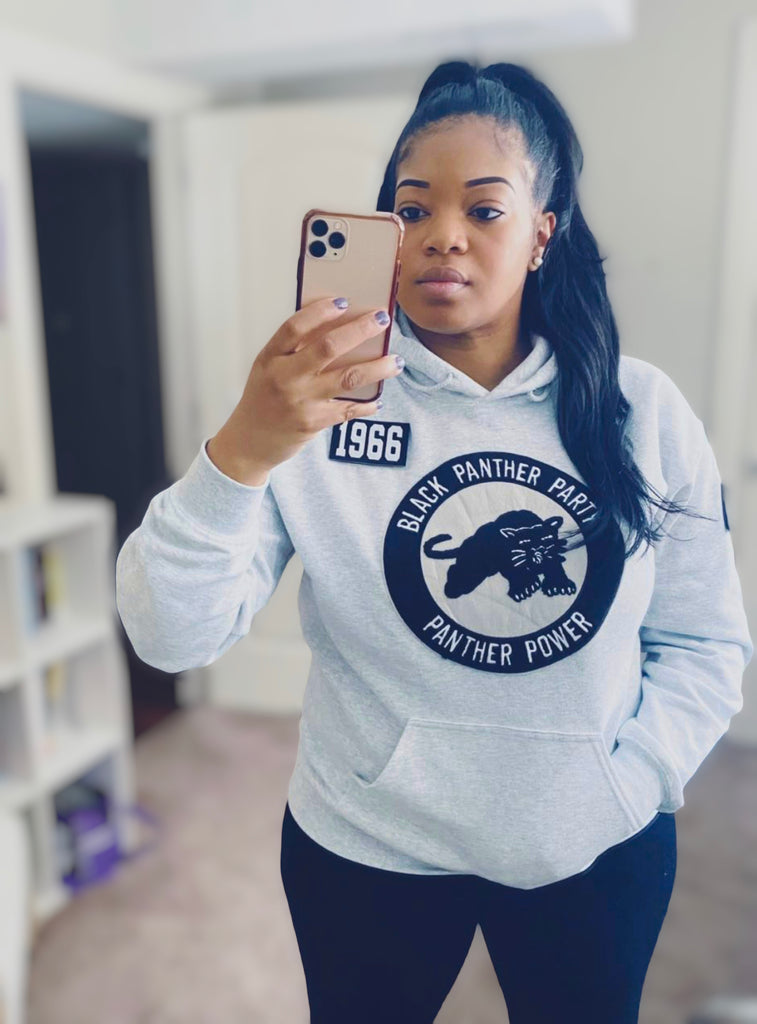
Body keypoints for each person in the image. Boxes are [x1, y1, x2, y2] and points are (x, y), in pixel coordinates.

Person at [115, 59, 754, 1024]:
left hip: (590, 840)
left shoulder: (642, 410)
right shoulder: (311, 406)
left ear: (542, 233)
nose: (440, 236)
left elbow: (702, 640)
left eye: (484, 210)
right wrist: (243, 449)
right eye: (410, 210)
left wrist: (628, 783)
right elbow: (171, 638)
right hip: (366, 840)